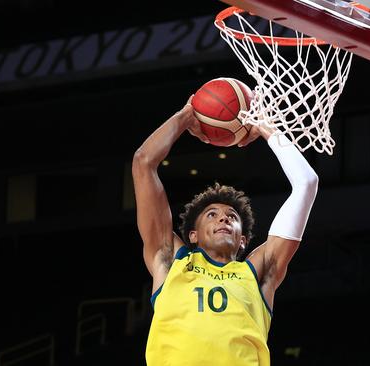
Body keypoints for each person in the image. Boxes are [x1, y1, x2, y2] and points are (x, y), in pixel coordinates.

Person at [132, 95, 318, 366]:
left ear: (243, 240)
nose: (224, 220)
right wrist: (186, 116)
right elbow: (143, 162)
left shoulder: (258, 272)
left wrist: (265, 127)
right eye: (212, 215)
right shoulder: (171, 260)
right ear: (192, 235)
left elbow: (307, 183)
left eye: (232, 217)